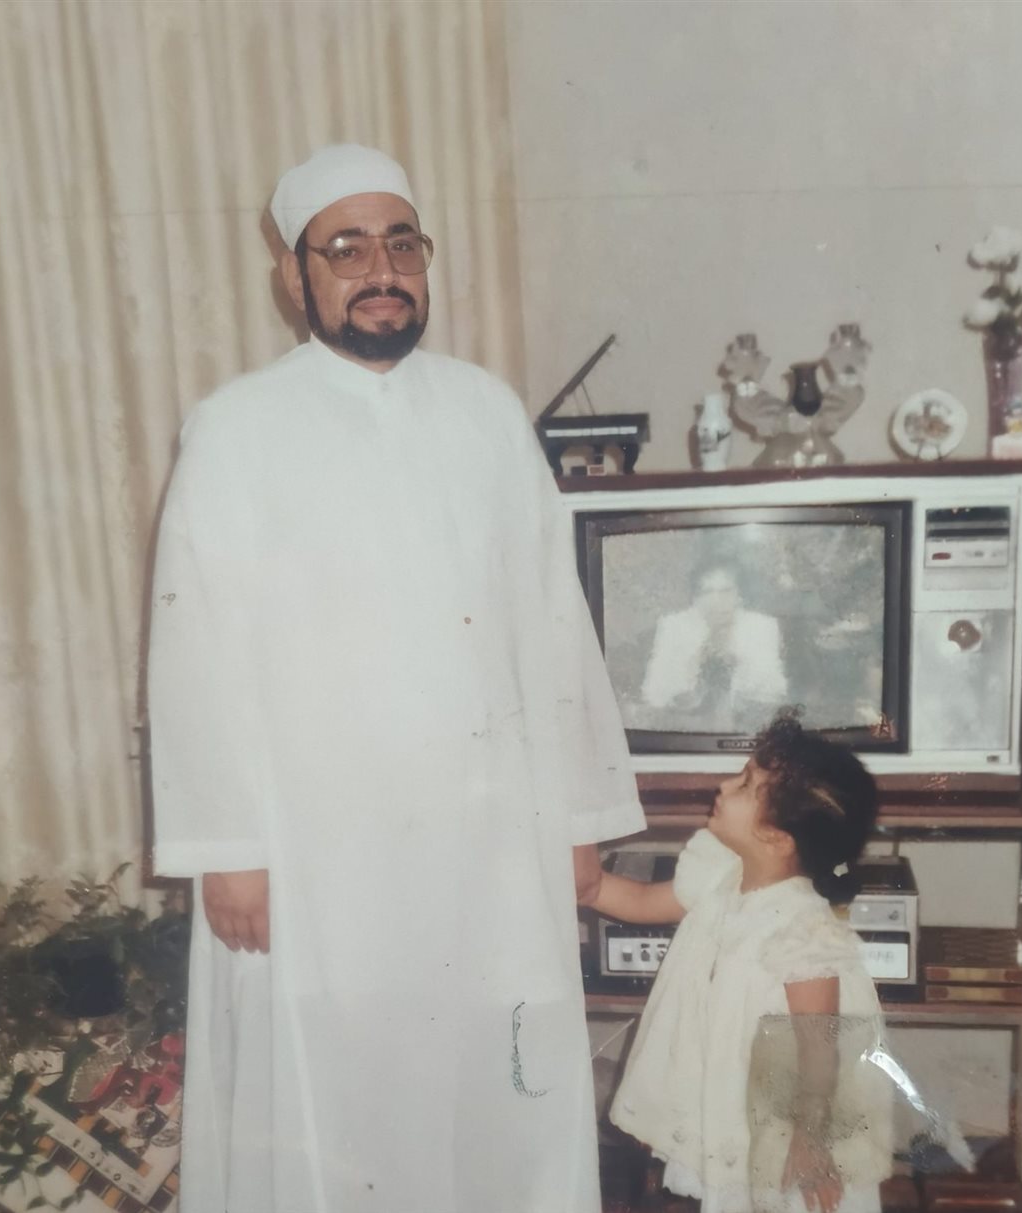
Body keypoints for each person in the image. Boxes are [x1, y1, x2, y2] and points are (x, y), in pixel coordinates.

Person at [146, 144, 645, 1213]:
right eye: (347, 248)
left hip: (488, 839)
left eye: (402, 244)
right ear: (295, 278)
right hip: (314, 850)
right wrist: (225, 849)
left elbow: (553, 625)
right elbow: (196, 651)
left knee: (497, 1096)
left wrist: (579, 816)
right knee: (334, 1103)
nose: (382, 270)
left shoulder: (487, 412)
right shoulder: (235, 428)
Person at [581, 713, 891, 1213]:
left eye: (746, 784)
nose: (724, 786)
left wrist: (810, 1138)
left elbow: (819, 1045)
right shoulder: (721, 880)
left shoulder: (802, 926)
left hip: (789, 1127)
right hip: (735, 1108)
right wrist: (589, 885)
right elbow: (638, 900)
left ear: (778, 838)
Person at [638, 565, 787, 731]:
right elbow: (654, 694)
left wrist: (740, 665)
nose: (717, 600)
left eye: (726, 591)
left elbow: (773, 692)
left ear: (739, 595)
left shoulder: (761, 626)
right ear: (695, 598)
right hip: (687, 728)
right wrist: (694, 666)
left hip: (746, 729)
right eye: (707, 592)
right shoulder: (674, 626)